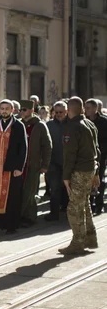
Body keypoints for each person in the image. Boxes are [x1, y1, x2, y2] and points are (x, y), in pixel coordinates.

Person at [60, 97, 100, 254]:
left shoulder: (73, 127)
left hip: (79, 171)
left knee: (74, 208)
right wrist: (96, 172)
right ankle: (90, 238)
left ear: (69, 110)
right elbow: (97, 150)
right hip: (90, 169)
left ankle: (78, 242)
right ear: (82, 109)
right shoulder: (90, 124)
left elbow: (70, 154)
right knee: (84, 204)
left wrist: (66, 177)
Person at [0, 100, 28, 235]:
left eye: (6, 108)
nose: (4, 111)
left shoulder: (18, 126)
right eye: (2, 108)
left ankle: (10, 225)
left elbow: (23, 148)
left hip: (10, 168)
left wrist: (19, 167)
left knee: (11, 197)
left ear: (12, 110)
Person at [18, 100, 52, 227]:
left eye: (24, 110)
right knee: (20, 191)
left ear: (32, 111)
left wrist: (45, 165)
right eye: (20, 109)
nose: (22, 112)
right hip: (20, 164)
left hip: (33, 164)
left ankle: (29, 217)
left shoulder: (39, 126)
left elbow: (47, 146)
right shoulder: (19, 124)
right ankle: (19, 215)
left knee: (30, 191)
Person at [45, 101, 70, 221]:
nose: (59, 114)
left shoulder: (72, 124)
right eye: (57, 112)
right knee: (54, 188)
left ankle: (68, 211)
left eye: (61, 112)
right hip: (53, 162)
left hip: (69, 162)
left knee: (69, 188)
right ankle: (54, 213)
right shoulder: (48, 125)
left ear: (66, 111)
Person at [85, 99, 107, 215]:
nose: (86, 110)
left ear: (95, 109)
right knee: (88, 179)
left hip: (101, 156)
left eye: (88, 108)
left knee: (99, 179)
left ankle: (99, 204)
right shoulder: (84, 121)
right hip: (87, 156)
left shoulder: (104, 122)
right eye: (85, 107)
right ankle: (90, 204)